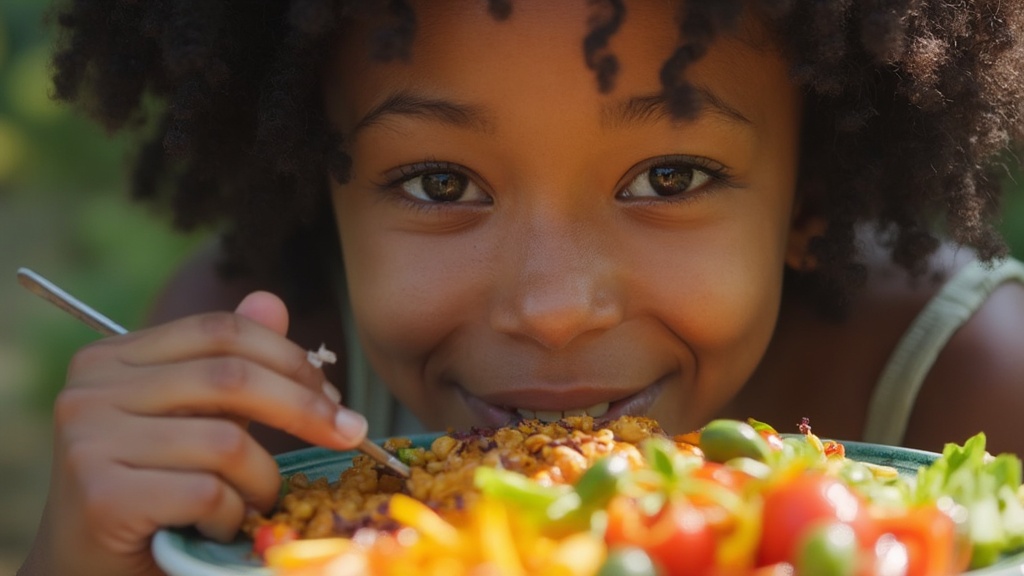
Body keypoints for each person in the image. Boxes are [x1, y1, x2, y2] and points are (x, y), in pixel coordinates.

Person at [19, 1, 1024, 574]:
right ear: (317, 187)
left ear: (811, 193)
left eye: (668, 179)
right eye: (440, 183)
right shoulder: (257, 411)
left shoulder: (971, 396)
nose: (550, 308)